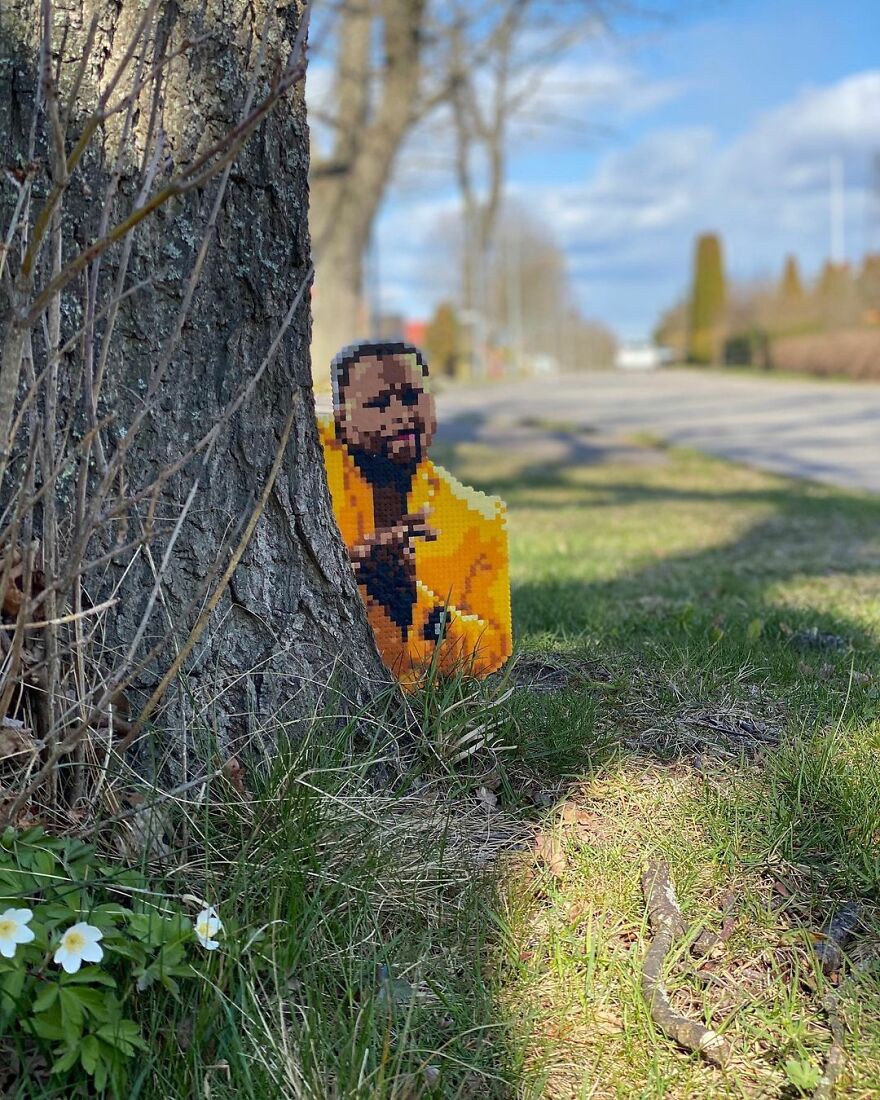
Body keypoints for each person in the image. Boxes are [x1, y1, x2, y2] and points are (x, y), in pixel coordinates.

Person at [318, 341, 512, 686]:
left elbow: (493, 650)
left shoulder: (477, 519)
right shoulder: (311, 463)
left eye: (411, 397)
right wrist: (356, 572)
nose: (400, 414)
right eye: (377, 404)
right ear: (342, 420)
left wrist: (409, 598)